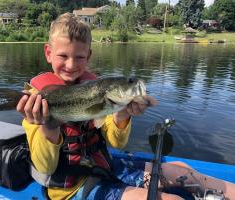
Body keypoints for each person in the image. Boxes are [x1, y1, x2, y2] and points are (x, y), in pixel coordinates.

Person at [16, 13, 235, 200]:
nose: (71, 64)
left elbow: (115, 142)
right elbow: (45, 167)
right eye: (63, 55)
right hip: (71, 188)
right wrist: (48, 126)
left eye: (79, 57)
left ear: (89, 56)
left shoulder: (96, 88)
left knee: (187, 173)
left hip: (104, 165)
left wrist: (121, 114)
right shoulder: (37, 101)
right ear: (48, 53)